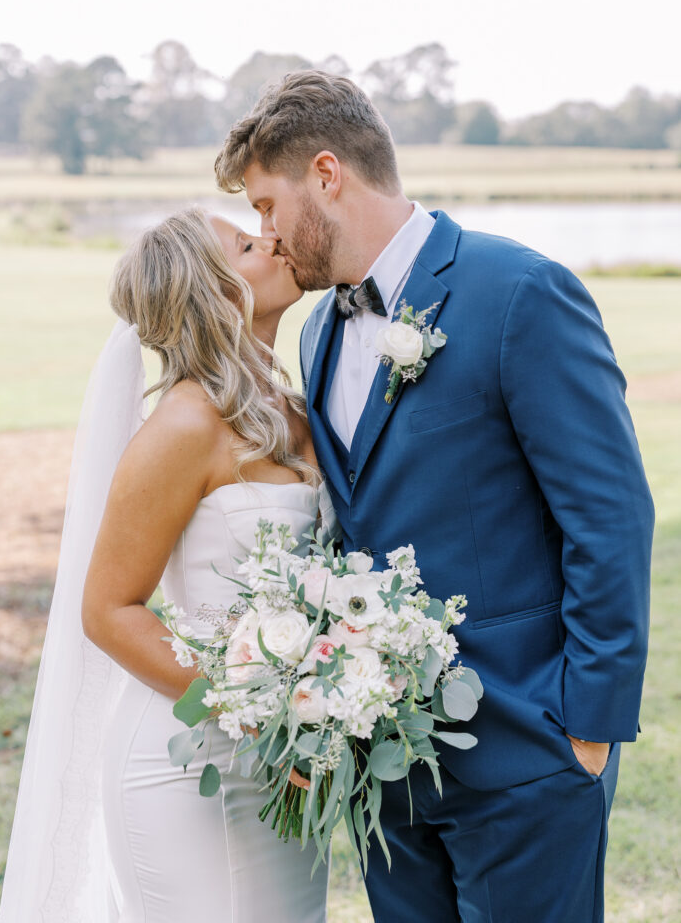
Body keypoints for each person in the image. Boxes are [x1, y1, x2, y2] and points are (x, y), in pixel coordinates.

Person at [214, 70, 655, 923]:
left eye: (268, 205)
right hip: (386, 767)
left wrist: (588, 729)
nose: (265, 234)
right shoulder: (318, 331)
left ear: (326, 174)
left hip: (528, 752)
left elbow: (609, 516)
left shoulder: (518, 292)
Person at [0, 208, 329, 923]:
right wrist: (259, 714)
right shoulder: (185, 425)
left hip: (292, 759)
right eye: (247, 243)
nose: (272, 238)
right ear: (215, 293)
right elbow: (107, 611)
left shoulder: (295, 408)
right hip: (189, 764)